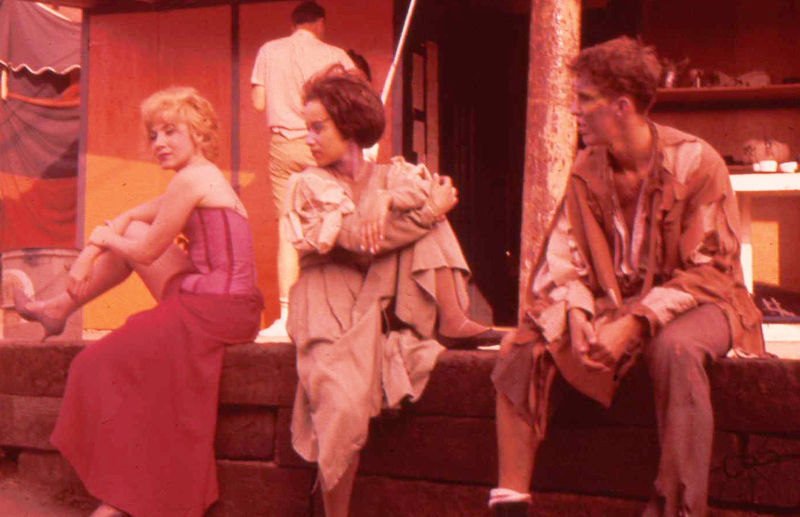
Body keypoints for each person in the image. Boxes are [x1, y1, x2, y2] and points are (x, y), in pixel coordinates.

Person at [489, 36, 765, 517]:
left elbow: (710, 271)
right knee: (526, 346)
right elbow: (563, 258)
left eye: (584, 99)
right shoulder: (585, 170)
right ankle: (511, 502)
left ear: (620, 106)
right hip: (618, 306)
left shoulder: (697, 163)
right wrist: (575, 310)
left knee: (675, 349)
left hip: (709, 304)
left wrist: (634, 323)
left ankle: (678, 507)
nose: (573, 110)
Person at [15, 86, 263, 517]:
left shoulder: (193, 180)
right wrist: (91, 252)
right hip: (222, 300)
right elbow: (129, 219)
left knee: (95, 364)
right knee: (127, 233)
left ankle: (123, 496)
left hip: (215, 309)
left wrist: (97, 243)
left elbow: (147, 252)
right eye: (153, 134)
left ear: (200, 135)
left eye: (171, 131)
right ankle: (58, 309)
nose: (160, 143)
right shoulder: (197, 177)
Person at [284, 66, 504, 517]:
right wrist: (421, 212)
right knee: (340, 401)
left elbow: (431, 191)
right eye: (306, 128)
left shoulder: (391, 174)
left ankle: (451, 318)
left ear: (348, 126)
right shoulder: (308, 183)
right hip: (329, 306)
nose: (307, 138)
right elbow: (357, 242)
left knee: (429, 212)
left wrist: (385, 200)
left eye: (317, 127)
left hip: (383, 302)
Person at [251, 0, 354, 339]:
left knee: (287, 225)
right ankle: (338, 309)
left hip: (283, 145)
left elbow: (259, 103)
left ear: (293, 23)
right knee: (335, 218)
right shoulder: (335, 53)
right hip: (322, 145)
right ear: (320, 24)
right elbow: (357, 94)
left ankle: (286, 315)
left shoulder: (269, 49)